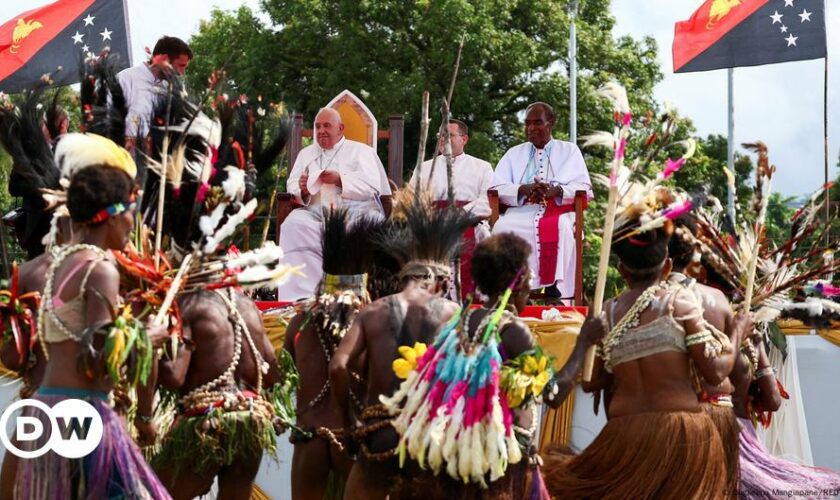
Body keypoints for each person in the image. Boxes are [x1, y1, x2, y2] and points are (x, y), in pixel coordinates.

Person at [545, 192, 748, 499]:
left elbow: (591, 382)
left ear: (622, 270)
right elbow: (715, 369)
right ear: (667, 267)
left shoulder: (607, 314)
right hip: (681, 438)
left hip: (624, 436)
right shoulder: (678, 304)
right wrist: (737, 335)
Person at [14, 133, 171, 499]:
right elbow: (95, 358)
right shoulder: (101, 268)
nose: (134, 225)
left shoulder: (60, 263)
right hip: (82, 413)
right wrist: (146, 337)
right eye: (132, 212)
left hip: (45, 407)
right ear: (111, 216)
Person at [329, 200, 474, 499]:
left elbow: (338, 366)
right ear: (441, 282)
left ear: (403, 276)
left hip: (378, 437)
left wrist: (349, 422)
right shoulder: (454, 313)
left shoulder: (372, 312)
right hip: (432, 441)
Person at [283, 209, 380, 500]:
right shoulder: (369, 321)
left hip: (308, 437)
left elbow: (280, 376)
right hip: (351, 440)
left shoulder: (300, 321)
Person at [279, 107, 392, 301]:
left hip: (356, 210)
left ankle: (361, 295)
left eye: (327, 126)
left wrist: (340, 179)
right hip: (316, 211)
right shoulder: (306, 153)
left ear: (340, 129)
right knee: (293, 224)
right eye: (317, 126)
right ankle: (304, 296)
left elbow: (372, 186)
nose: (321, 130)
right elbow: (292, 184)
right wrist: (302, 191)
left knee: (371, 223)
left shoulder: (361, 151)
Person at [668, 215, 745, 497]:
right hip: (715, 415)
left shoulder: (645, 301)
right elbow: (738, 373)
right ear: (694, 252)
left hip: (673, 422)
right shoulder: (717, 299)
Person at [491, 102, 592, 302]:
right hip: (521, 210)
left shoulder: (569, 151)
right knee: (500, 227)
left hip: (557, 210)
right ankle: (514, 291)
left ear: (551, 123)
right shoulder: (514, 153)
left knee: (561, 227)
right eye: (527, 123)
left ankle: (555, 291)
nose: (531, 128)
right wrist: (522, 189)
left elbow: (584, 187)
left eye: (537, 123)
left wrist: (556, 191)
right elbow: (496, 188)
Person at [410, 118, 494, 299]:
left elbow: (488, 200)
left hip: (470, 223)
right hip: (432, 225)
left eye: (449, 135)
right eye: (440, 136)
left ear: (464, 139)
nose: (442, 139)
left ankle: (472, 301)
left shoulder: (482, 167)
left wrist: (461, 213)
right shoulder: (425, 168)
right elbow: (411, 198)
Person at [117, 36, 192, 152]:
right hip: (122, 161)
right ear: (164, 59)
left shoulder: (171, 91)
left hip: (157, 164)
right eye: (181, 66)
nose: (181, 73)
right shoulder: (126, 79)